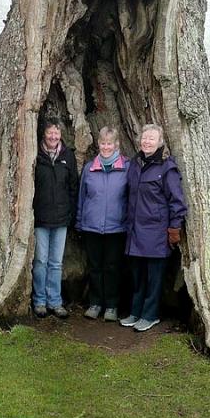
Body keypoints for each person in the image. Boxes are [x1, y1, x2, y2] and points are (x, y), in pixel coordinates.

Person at [120, 124, 187, 332]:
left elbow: (177, 201)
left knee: (154, 278)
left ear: (160, 143)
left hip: (156, 233)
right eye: (144, 137)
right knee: (137, 276)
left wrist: (174, 229)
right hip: (134, 231)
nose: (146, 141)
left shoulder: (167, 168)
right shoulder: (135, 164)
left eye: (151, 138)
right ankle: (136, 312)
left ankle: (150, 315)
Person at [76, 127, 129, 322]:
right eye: (103, 143)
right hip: (92, 227)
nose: (106, 147)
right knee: (95, 267)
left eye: (110, 143)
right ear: (98, 144)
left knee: (112, 267)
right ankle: (95, 303)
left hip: (116, 228)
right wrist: (80, 222)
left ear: (116, 145)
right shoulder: (90, 168)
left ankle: (112, 306)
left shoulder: (126, 168)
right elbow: (82, 197)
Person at [32, 117, 78, 319]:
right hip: (41, 217)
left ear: (61, 135)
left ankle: (55, 301)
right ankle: (40, 301)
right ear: (44, 134)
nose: (53, 136)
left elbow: (73, 187)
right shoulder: (36, 155)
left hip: (61, 218)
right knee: (41, 260)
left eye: (56, 133)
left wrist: (72, 214)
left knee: (56, 262)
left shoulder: (68, 156)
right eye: (50, 132)